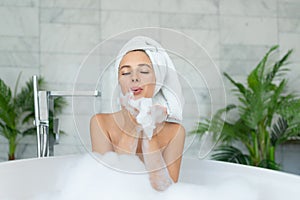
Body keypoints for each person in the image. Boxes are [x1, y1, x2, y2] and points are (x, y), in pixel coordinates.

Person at [90, 36, 185, 191]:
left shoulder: (175, 132)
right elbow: (107, 187)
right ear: (119, 81)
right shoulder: (101, 123)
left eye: (144, 71)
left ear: (157, 79)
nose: (134, 78)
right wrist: (132, 128)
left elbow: (166, 192)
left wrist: (150, 131)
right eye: (126, 73)